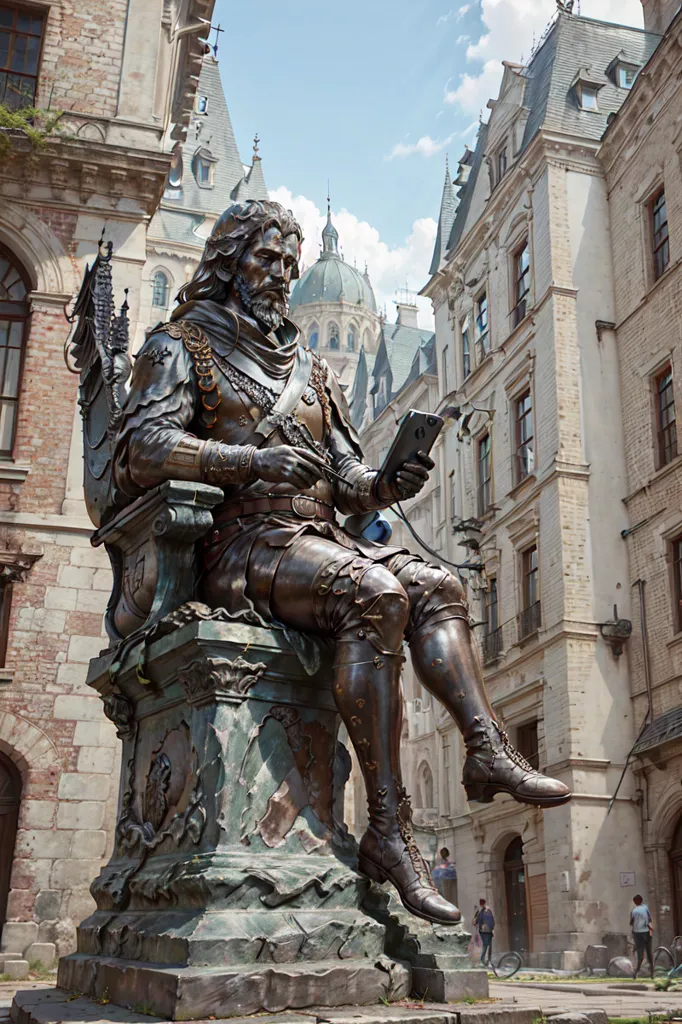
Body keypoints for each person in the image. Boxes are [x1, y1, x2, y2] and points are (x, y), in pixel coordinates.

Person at [113, 199, 571, 927]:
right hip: (237, 547)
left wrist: (387, 484)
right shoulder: (181, 344)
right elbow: (139, 450)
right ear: (232, 262)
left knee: (438, 584)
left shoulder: (311, 369)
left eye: (289, 263)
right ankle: (390, 830)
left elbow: (350, 480)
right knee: (377, 594)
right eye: (268, 258)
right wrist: (247, 458)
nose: (281, 273)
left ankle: (484, 751)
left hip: (319, 542)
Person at [630, 894, 653, 978]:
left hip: (638, 933)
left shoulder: (634, 911)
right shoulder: (645, 908)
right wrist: (650, 929)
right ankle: (652, 974)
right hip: (646, 932)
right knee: (648, 953)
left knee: (640, 955)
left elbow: (631, 923)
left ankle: (635, 973)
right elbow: (649, 920)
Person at [473, 898, 495, 966]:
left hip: (484, 931)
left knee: (487, 946)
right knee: (487, 946)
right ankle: (484, 961)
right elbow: (491, 921)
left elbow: (477, 921)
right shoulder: (486, 911)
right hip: (487, 931)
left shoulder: (481, 911)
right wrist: (492, 929)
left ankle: (486, 961)